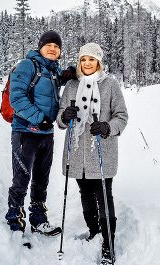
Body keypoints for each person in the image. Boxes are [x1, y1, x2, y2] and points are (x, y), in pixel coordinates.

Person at [57, 43, 128, 264]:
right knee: (85, 194)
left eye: (92, 59)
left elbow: (122, 116)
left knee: (104, 196)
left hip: (101, 152)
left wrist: (107, 127)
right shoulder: (71, 85)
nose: (87, 63)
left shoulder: (110, 85)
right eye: (83, 59)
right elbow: (59, 118)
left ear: (99, 62)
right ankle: (94, 232)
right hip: (77, 152)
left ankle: (108, 244)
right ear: (79, 62)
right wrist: (64, 116)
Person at [5, 30, 75, 238]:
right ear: (40, 47)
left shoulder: (53, 71)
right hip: (26, 131)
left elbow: (67, 77)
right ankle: (15, 223)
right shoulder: (27, 65)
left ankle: (38, 220)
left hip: (46, 133)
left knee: (41, 180)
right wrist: (39, 118)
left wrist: (71, 71)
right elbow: (16, 98)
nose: (52, 49)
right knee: (22, 179)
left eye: (56, 47)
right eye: (49, 46)